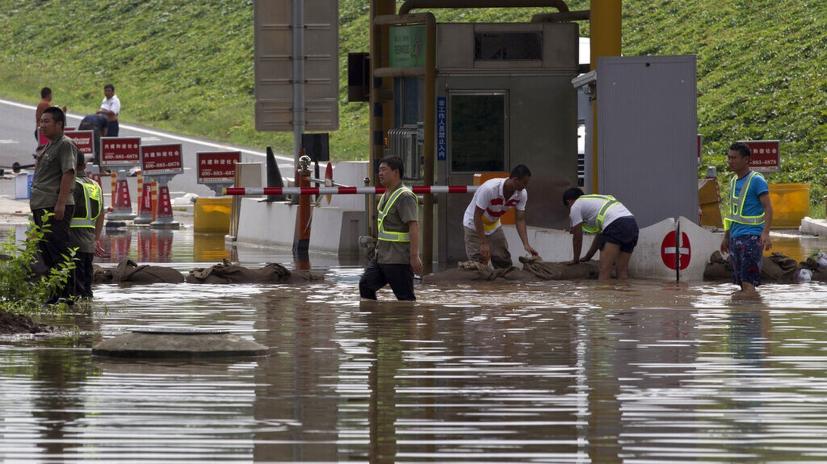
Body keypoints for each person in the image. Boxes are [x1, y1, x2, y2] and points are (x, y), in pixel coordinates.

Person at [359, 156, 422, 301]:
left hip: (398, 258)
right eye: (379, 170)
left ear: (396, 172)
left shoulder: (405, 196)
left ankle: (407, 317)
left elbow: (413, 226)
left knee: (405, 299)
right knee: (366, 285)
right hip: (382, 257)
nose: (380, 173)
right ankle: (374, 315)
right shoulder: (386, 194)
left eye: (384, 170)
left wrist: (414, 256)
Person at [31, 106, 77, 303]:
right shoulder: (49, 146)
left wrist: (61, 204)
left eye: (46, 121)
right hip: (42, 206)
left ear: (59, 124)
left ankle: (66, 296)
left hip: (53, 206)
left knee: (58, 250)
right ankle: (54, 294)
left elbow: (68, 173)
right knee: (47, 252)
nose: (42, 125)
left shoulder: (65, 144)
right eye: (41, 121)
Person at [721, 142, 773, 298]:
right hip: (735, 237)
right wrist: (726, 236)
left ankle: (751, 310)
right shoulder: (733, 181)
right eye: (729, 157)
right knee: (740, 285)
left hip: (751, 237)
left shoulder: (757, 180)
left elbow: (768, 208)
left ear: (746, 160)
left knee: (748, 286)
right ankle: (745, 312)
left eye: (734, 158)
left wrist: (766, 233)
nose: (730, 161)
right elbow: (732, 214)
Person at [462, 165, 538, 269]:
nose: (525, 186)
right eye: (524, 183)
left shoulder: (522, 194)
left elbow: (520, 219)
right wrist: (483, 243)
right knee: (479, 262)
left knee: (503, 258)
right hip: (474, 225)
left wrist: (526, 244)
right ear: (515, 180)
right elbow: (477, 216)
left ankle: (503, 278)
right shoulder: (489, 189)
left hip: (493, 225)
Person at [563, 187, 639, 280]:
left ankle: (603, 289)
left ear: (569, 201)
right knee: (622, 271)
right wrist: (588, 256)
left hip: (616, 225)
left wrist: (576, 259)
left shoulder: (575, 206)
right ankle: (623, 290)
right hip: (632, 224)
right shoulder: (597, 201)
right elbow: (600, 236)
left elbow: (577, 238)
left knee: (604, 271)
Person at [68, 154, 105, 299]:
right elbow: (101, 215)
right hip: (89, 243)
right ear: (84, 166)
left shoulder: (71, 185)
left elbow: (65, 212)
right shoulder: (95, 186)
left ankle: (78, 313)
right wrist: (96, 239)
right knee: (86, 290)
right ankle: (88, 312)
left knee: (74, 290)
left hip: (72, 243)